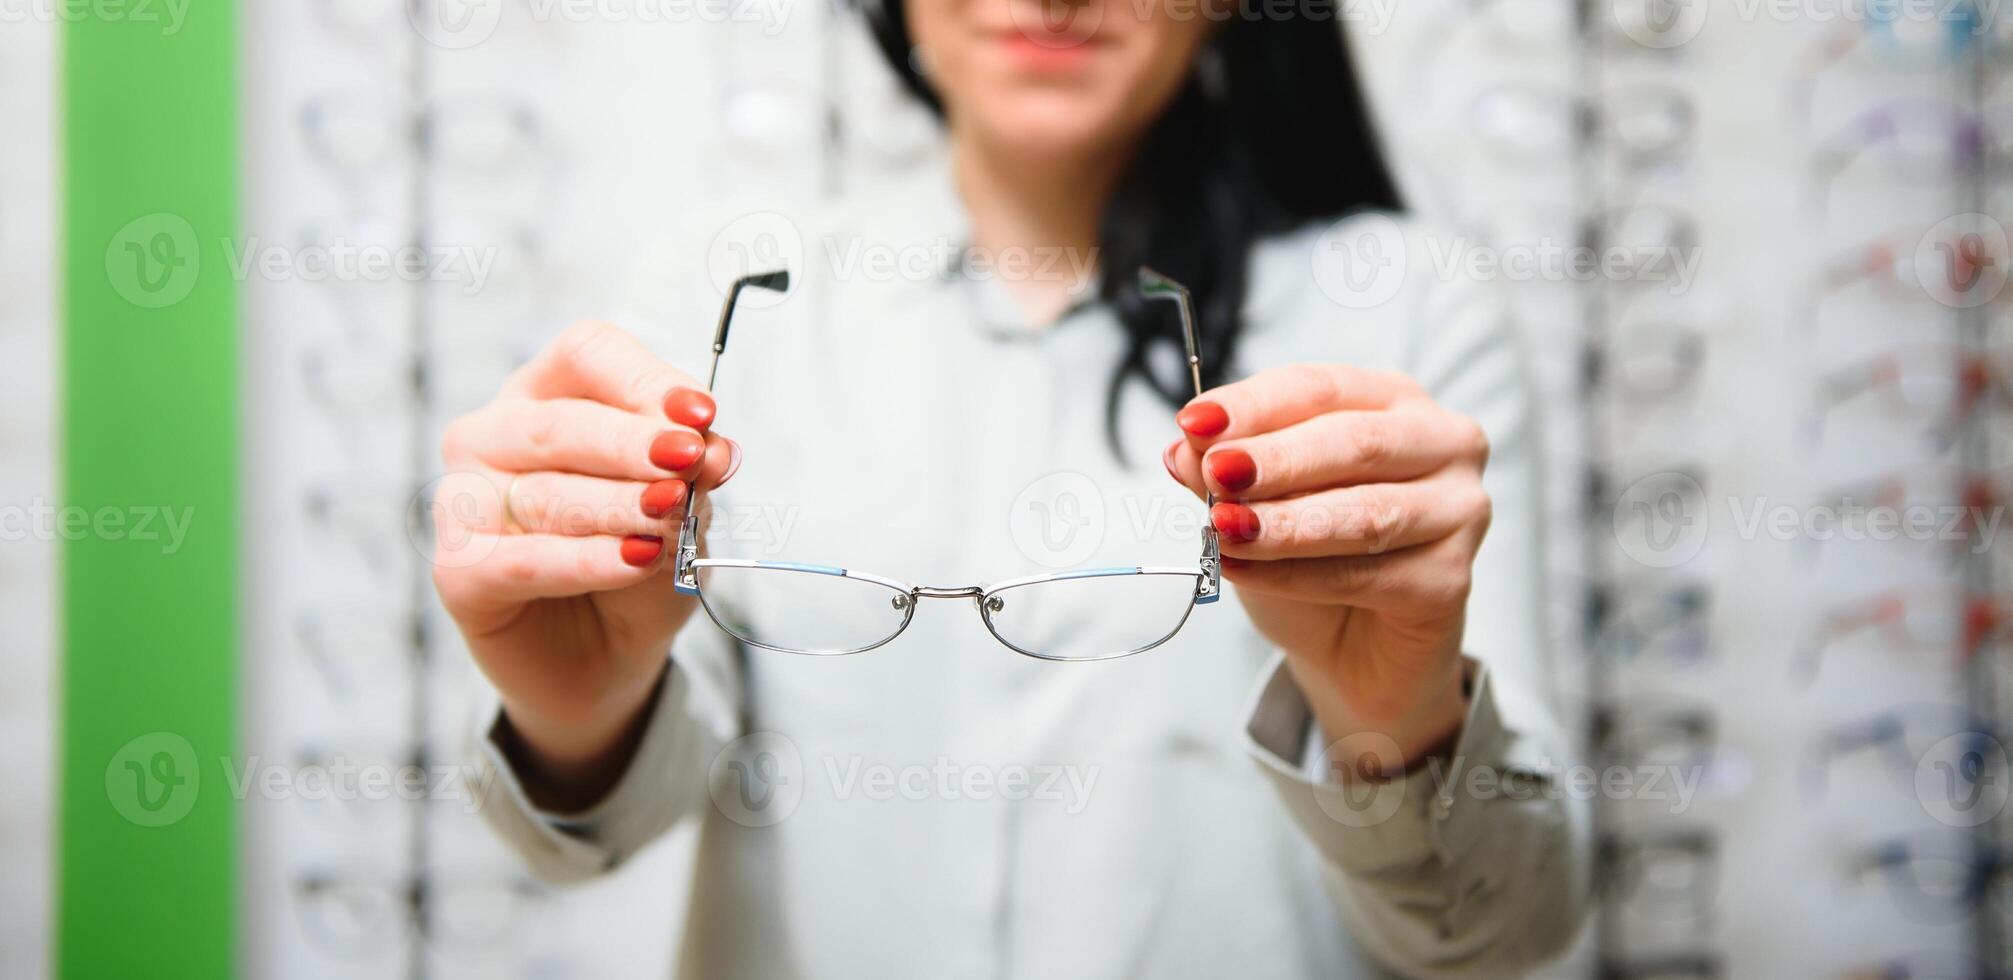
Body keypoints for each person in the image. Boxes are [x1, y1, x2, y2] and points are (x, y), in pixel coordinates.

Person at [430, 0, 1587, 974]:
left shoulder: (1409, 311)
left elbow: (1508, 926)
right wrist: (577, 716)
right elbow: (587, 836)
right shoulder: (733, 298)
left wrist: (1395, 725)